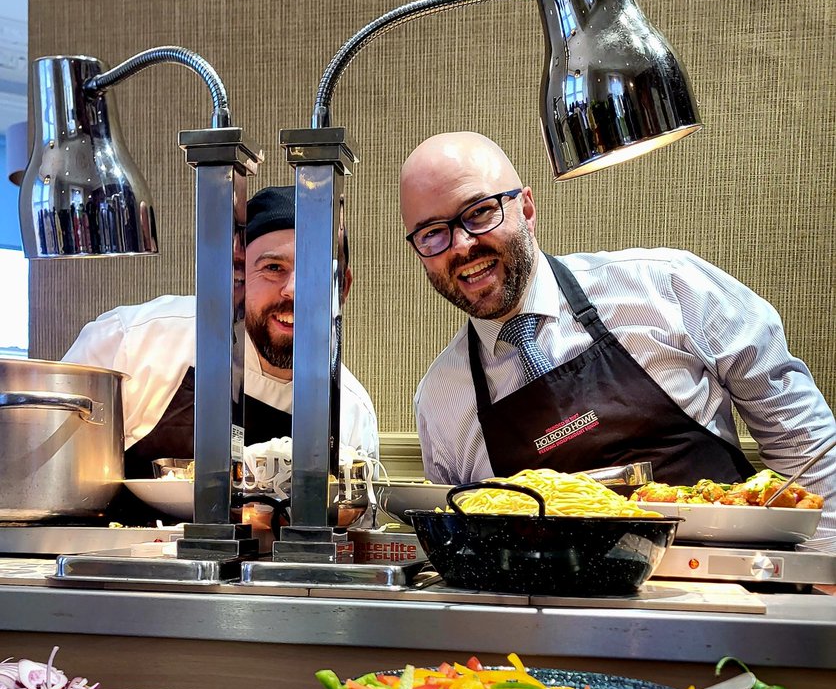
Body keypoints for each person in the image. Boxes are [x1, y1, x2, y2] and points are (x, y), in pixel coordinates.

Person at [400, 132, 836, 541]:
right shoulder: (442, 398)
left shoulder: (668, 287)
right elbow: (467, 535)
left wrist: (824, 571)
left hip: (722, 596)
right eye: (432, 233)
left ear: (527, 210)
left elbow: (804, 440)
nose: (460, 246)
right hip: (553, 614)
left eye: (479, 212)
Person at [63, 186, 379, 477]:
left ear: (343, 288)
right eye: (273, 268)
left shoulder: (349, 411)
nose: (294, 291)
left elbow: (353, 530)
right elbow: (53, 473)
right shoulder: (133, 342)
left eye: (315, 271)